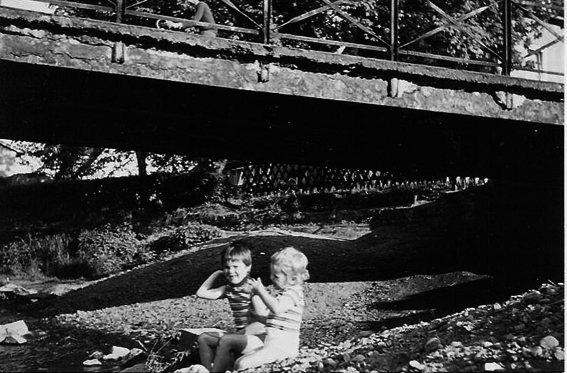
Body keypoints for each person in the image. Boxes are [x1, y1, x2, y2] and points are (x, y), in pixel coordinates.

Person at [186, 240, 267, 373]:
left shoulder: (253, 289)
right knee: (204, 338)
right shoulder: (229, 289)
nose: (231, 271)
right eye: (227, 267)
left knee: (226, 340)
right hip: (239, 336)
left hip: (256, 339)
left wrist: (241, 333)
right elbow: (201, 293)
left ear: (248, 267)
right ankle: (207, 370)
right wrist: (216, 274)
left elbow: (262, 319)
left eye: (235, 267)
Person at [233, 247, 310, 371]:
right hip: (272, 345)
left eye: (276, 276)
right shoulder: (285, 294)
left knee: (242, 365)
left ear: (293, 279)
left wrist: (261, 291)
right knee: (239, 361)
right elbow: (271, 318)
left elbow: (276, 309)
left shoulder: (294, 294)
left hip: (283, 348)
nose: (271, 278)